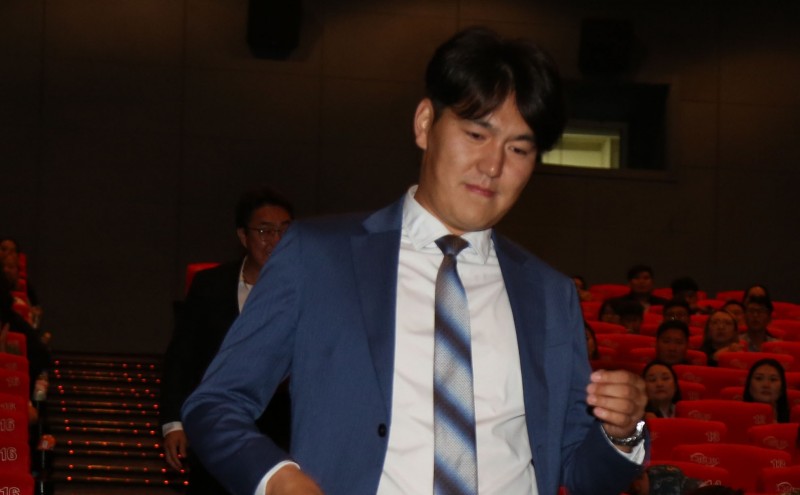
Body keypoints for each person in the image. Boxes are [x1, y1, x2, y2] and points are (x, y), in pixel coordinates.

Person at [182, 27, 647, 495]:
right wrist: (278, 480)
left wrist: (622, 433)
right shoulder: (318, 256)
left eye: (519, 149)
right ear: (425, 123)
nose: (493, 166)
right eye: (476, 134)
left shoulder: (550, 295)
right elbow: (215, 404)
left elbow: (579, 471)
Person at [161, 186, 294, 495]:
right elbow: (181, 358)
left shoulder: (308, 289)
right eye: (265, 231)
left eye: (285, 231)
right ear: (243, 236)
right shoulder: (210, 286)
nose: (276, 240)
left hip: (284, 434)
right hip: (216, 428)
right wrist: (173, 423)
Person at [743, 358, 790, 423]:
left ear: (782, 387)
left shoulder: (794, 418)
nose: (766, 385)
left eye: (773, 379)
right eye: (759, 378)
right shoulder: (736, 415)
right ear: (749, 385)